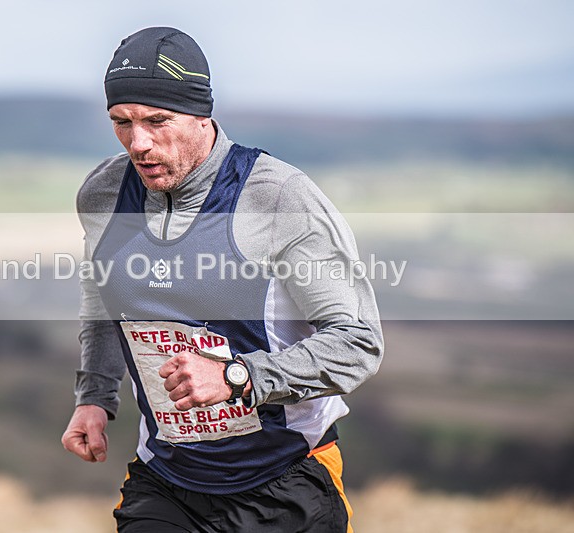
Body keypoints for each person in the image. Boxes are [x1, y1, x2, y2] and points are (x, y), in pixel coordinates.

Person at [62, 26, 383, 533]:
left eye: (157, 121)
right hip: (167, 479)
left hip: (285, 476)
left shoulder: (277, 197)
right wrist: (94, 397)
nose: (138, 143)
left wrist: (238, 377)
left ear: (202, 114)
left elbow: (358, 342)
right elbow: (104, 300)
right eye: (121, 122)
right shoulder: (104, 194)